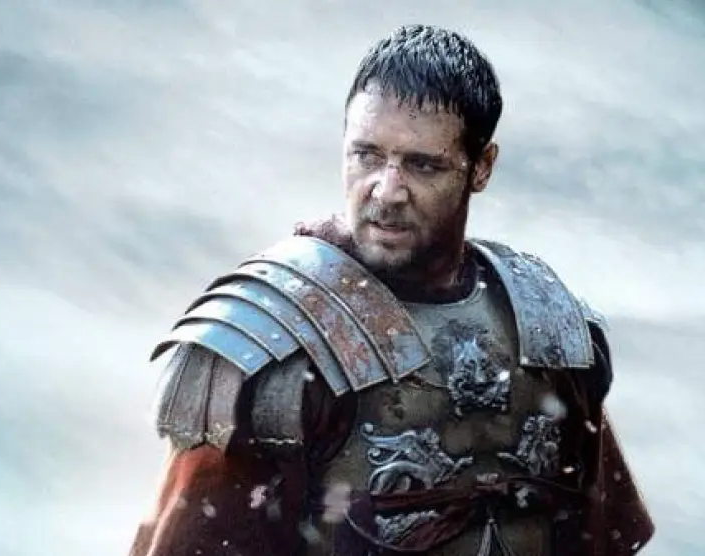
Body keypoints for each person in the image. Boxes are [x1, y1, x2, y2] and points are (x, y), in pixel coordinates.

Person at [127, 24, 654, 556]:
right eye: (367, 156)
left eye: (423, 165)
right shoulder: (276, 340)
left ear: (481, 167)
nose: (387, 190)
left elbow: (599, 538)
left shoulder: (545, 328)